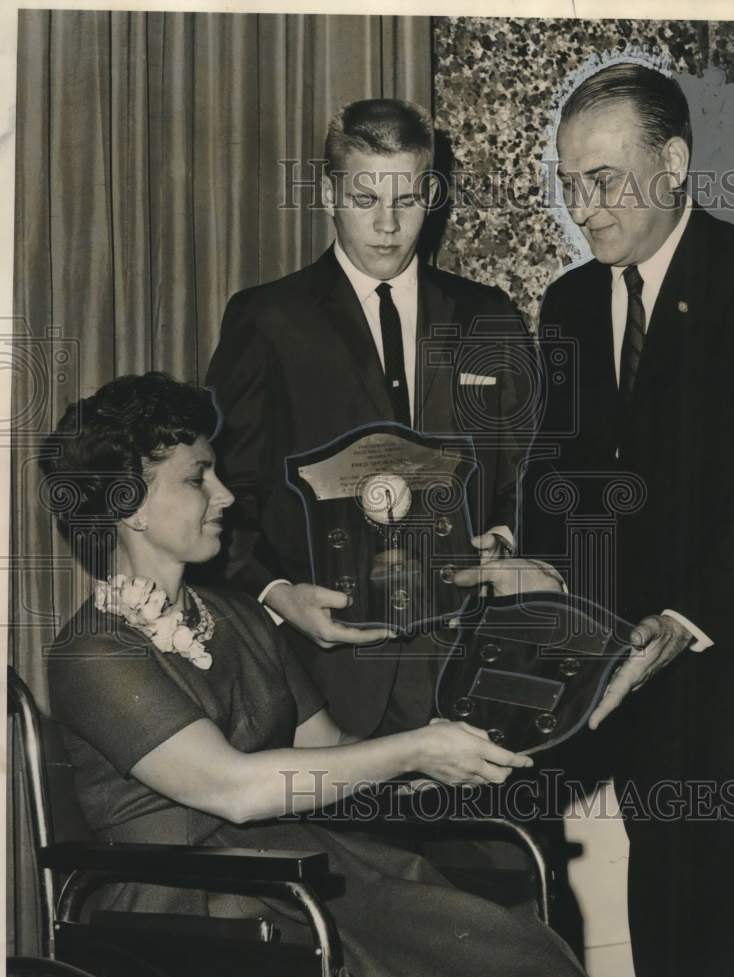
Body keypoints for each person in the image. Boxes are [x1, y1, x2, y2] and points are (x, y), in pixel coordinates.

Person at [42, 372, 589, 977]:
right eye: (198, 479)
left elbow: (330, 752)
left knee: (509, 950)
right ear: (129, 507)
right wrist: (412, 751)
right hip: (189, 904)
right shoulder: (92, 652)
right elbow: (234, 790)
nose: (225, 495)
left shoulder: (239, 615)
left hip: (294, 871)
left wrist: (441, 748)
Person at [520, 61, 734, 977]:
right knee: (679, 943)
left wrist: (685, 619)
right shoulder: (571, 305)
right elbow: (557, 471)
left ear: (671, 164)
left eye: (602, 180)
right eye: (568, 184)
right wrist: (529, 560)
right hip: (640, 686)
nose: (581, 209)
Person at [205, 98, 534, 739]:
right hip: (327, 681)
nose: (387, 225)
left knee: (500, 844)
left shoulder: (490, 316)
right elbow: (223, 495)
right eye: (364, 200)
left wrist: (508, 540)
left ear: (431, 195)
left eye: (407, 201)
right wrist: (277, 594)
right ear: (330, 192)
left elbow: (532, 470)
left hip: (474, 668)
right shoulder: (268, 320)